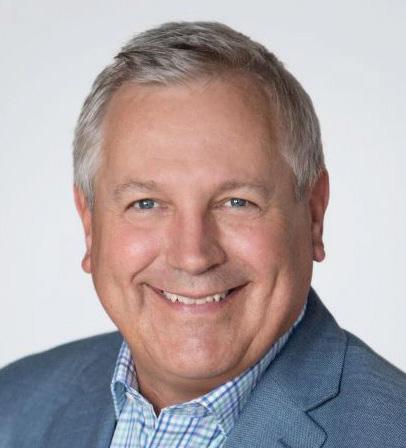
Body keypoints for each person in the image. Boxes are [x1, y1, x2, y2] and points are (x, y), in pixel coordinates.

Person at [0, 21, 405, 448]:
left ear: (314, 214)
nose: (192, 256)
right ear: (89, 224)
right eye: (146, 204)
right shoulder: (13, 406)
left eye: (237, 202)